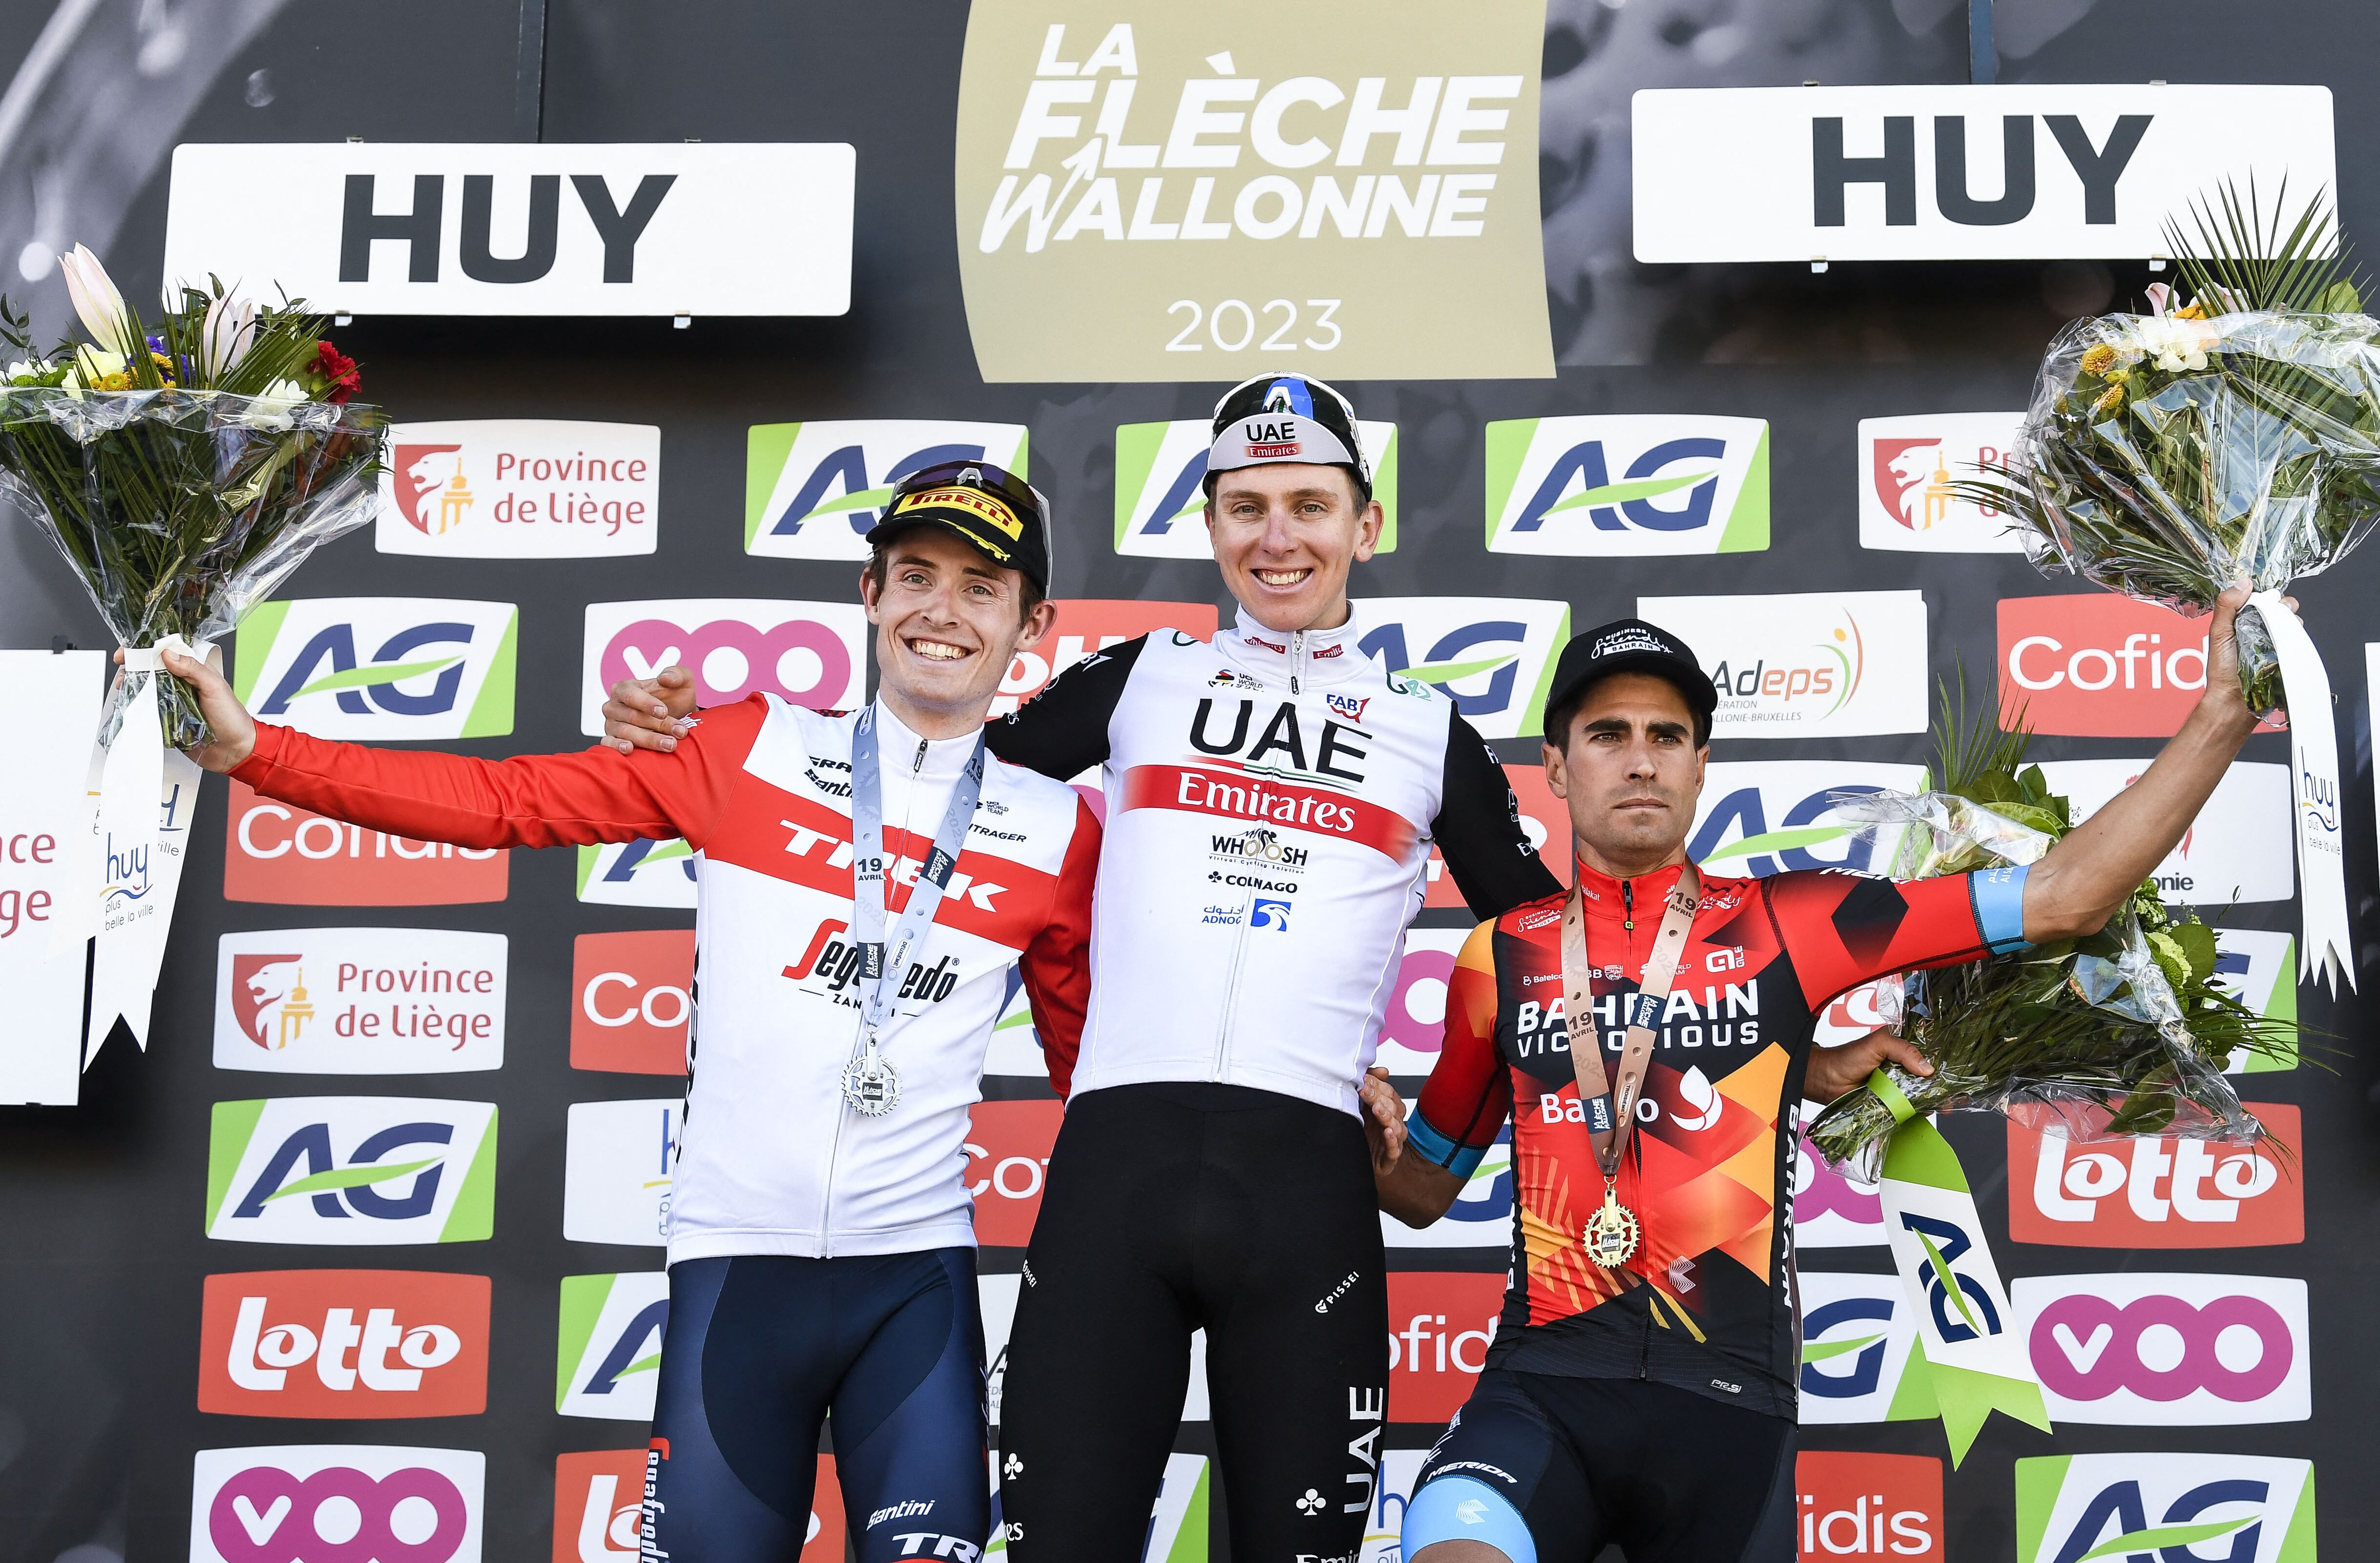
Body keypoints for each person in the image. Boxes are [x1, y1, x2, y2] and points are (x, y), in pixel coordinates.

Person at [603, 373, 1562, 1561]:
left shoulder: (1427, 729)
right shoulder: (1137, 678)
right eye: (1246, 505)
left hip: (1305, 1193)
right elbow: (921, 773)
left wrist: (1436, 1157)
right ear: (1209, 525)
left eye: (1309, 505)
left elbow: (1561, 950)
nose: (1277, 536)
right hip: (1116, 1180)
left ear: (1362, 526)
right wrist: (680, 744)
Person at [159, 462, 1100, 1563]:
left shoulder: (1058, 830)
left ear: (1031, 620)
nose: (942, 611)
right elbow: (501, 804)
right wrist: (258, 751)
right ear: (869, 593)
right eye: (915, 576)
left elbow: (1100, 1079)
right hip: (734, 1270)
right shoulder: (744, 747)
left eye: (981, 586)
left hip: (918, 1282)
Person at [1373, 591, 2286, 1563]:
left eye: (1666, 734)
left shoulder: (1789, 921)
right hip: (1540, 1387)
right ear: (1554, 765)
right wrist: (1340, 1105)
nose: (1639, 758)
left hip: (1723, 1406)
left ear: (1699, 763)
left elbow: (2064, 894)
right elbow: (1423, 1188)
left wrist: (2223, 710)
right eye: (1606, 733)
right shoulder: (1496, 956)